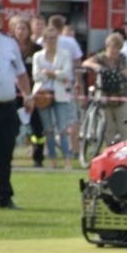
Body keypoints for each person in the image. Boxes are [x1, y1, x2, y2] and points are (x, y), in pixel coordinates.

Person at [0, 0, 33, 210]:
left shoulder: (8, 42)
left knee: (4, 155)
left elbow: (20, 72)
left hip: (6, 107)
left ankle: (4, 196)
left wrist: (27, 95)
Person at [33, 27, 75, 169]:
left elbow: (67, 73)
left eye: (54, 38)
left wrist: (50, 73)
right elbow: (36, 76)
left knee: (63, 128)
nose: (52, 41)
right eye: (49, 38)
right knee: (48, 129)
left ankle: (67, 159)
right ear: (44, 40)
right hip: (42, 95)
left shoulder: (64, 54)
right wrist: (53, 74)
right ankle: (53, 159)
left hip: (60, 94)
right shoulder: (38, 56)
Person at [82, 32, 127, 147]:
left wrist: (117, 74)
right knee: (108, 129)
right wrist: (97, 67)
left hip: (120, 98)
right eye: (112, 47)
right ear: (107, 47)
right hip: (104, 99)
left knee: (124, 129)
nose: (114, 51)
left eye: (117, 48)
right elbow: (85, 63)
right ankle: (110, 151)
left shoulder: (123, 59)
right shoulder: (100, 57)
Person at [10, 16, 45, 167]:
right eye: (18, 28)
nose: (21, 31)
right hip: (13, 94)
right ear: (13, 30)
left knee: (37, 126)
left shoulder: (37, 49)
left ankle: (38, 157)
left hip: (33, 93)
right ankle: (8, 156)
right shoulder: (10, 48)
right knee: (13, 127)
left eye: (24, 28)